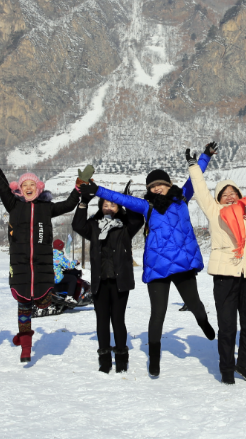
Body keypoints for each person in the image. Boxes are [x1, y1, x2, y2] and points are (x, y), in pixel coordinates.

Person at [81, 144, 217, 378]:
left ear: (169, 185)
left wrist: (204, 157)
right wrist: (97, 190)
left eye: (160, 185)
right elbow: (119, 198)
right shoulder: (147, 206)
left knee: (194, 303)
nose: (157, 188)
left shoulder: (182, 197)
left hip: (183, 264)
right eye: (152, 186)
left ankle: (203, 322)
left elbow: (196, 177)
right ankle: (154, 359)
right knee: (158, 313)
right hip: (157, 267)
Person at [0, 144, 86, 363]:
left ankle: (23, 335)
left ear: (38, 188)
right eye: (24, 185)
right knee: (23, 306)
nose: (28, 187)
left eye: (31, 184)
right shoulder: (14, 206)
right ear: (19, 189)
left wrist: (78, 188)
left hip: (42, 266)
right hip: (19, 265)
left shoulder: (45, 208)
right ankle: (26, 346)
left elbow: (67, 205)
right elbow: (1, 188)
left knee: (42, 300)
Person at [188, 147, 246, 384]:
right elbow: (201, 190)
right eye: (224, 193)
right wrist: (195, 166)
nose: (230, 196)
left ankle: (245, 364)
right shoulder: (214, 211)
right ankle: (226, 369)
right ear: (218, 198)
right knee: (227, 327)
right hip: (224, 275)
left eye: (234, 192)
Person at [72, 181, 144, 374]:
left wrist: (129, 201)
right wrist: (83, 203)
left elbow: (139, 220)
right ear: (101, 207)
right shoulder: (94, 226)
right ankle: (104, 358)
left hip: (120, 282)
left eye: (113, 204)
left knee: (118, 320)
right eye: (105, 204)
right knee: (102, 320)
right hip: (100, 282)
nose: (109, 207)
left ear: (119, 207)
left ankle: (121, 357)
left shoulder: (126, 227)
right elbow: (77, 225)